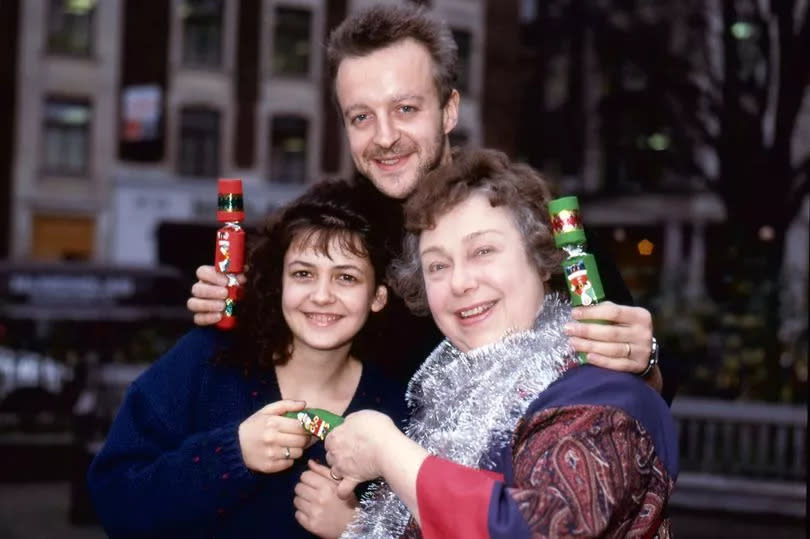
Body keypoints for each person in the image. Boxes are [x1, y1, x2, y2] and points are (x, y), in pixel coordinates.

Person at [187, 4, 673, 402]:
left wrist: (644, 359)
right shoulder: (328, 228)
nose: (384, 138)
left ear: (449, 110)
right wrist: (235, 305)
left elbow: (648, 385)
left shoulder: (525, 215)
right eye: (361, 117)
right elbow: (260, 339)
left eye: (405, 109)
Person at [324, 148, 678, 538]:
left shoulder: (599, 393)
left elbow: (537, 530)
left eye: (483, 251)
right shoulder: (446, 405)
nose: (460, 283)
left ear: (542, 260)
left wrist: (389, 452)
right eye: (438, 265)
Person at [86, 179, 408, 538]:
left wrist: (359, 531)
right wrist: (230, 456)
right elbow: (114, 500)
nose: (321, 296)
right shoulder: (209, 360)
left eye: (346, 278)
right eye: (303, 274)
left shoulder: (398, 410)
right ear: (280, 282)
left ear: (377, 296)